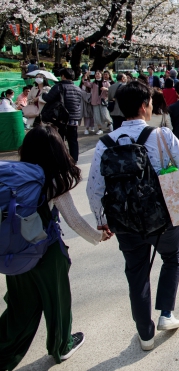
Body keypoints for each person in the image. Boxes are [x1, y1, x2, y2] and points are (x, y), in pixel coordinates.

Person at [87, 81, 179, 352]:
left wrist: (101, 219)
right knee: (172, 258)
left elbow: (94, 188)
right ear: (145, 106)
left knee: (136, 272)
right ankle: (166, 314)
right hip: (162, 218)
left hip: (124, 222)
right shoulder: (162, 136)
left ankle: (144, 333)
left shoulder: (105, 144)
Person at [0, 125, 111, 369]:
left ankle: (2, 352)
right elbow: (74, 220)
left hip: (12, 254)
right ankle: (62, 346)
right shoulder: (52, 180)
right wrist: (98, 236)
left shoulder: (11, 176)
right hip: (46, 253)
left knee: (19, 306)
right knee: (57, 301)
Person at [42, 69, 84, 163]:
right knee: (73, 140)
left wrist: (44, 94)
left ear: (63, 76)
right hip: (74, 118)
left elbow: (48, 99)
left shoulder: (58, 86)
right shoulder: (78, 88)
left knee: (59, 140)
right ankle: (74, 160)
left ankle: (61, 159)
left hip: (60, 118)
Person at [83, 70, 113, 135]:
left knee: (105, 115)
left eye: (98, 73)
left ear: (101, 75)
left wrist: (106, 89)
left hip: (103, 101)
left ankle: (110, 124)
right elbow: (86, 83)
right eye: (96, 73)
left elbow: (111, 90)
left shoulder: (106, 83)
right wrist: (86, 75)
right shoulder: (93, 83)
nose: (97, 75)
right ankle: (100, 129)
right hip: (95, 102)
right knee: (97, 117)